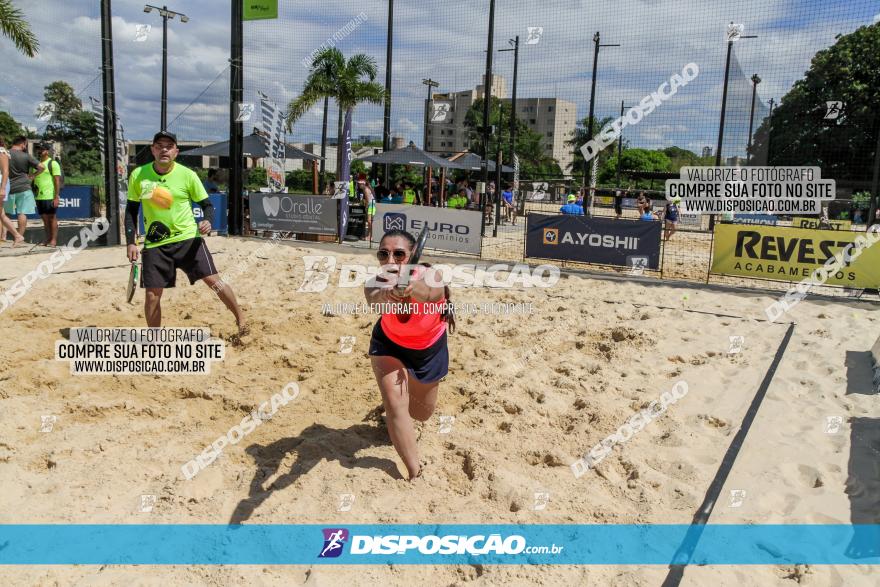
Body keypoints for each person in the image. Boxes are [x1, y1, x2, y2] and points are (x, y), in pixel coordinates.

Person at [125, 131, 247, 336]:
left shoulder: (187, 175)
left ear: (176, 151)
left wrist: (207, 220)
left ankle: (241, 320)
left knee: (214, 282)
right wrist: (130, 242)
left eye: (169, 146)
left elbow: (207, 205)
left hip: (188, 240)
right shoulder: (138, 175)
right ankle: (154, 340)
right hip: (155, 244)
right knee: (152, 295)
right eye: (159, 145)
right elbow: (130, 210)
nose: (164, 149)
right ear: (153, 150)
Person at [364, 229, 454, 480]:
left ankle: (398, 414)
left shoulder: (431, 275)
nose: (390, 261)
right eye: (383, 254)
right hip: (388, 344)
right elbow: (373, 299)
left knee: (421, 413)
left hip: (428, 349)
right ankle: (415, 471)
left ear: (413, 254)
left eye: (399, 254)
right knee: (395, 404)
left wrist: (410, 289)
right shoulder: (376, 281)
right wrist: (386, 293)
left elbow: (429, 293)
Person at [5, 136, 43, 242]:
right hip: (24, 187)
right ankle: (19, 237)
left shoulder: (5, 154)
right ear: (22, 144)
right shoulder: (26, 156)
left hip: (8, 187)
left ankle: (2, 237)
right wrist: (33, 175)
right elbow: (42, 167)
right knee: (22, 213)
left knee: (4, 214)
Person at [34, 143, 62, 247]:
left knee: (52, 218)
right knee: (45, 220)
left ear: (47, 151)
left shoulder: (53, 163)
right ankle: (48, 238)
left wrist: (56, 196)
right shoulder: (36, 164)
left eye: (41, 149)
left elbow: (57, 181)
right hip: (39, 196)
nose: (39, 151)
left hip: (50, 195)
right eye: (38, 149)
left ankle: (53, 240)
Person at [0, 138, 25, 246]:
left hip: (1, 183)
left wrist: (2, 188)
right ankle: (17, 235)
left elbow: (6, 171)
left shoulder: (2, 151)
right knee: (1, 213)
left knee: (1, 213)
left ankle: (17, 235)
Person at [357, 173, 375, 238]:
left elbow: (367, 199)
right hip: (372, 204)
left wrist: (366, 207)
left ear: (363, 184)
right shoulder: (366, 188)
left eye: (359, 184)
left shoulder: (366, 189)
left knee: (369, 221)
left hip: (371, 205)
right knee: (369, 221)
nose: (359, 185)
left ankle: (370, 236)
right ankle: (369, 235)